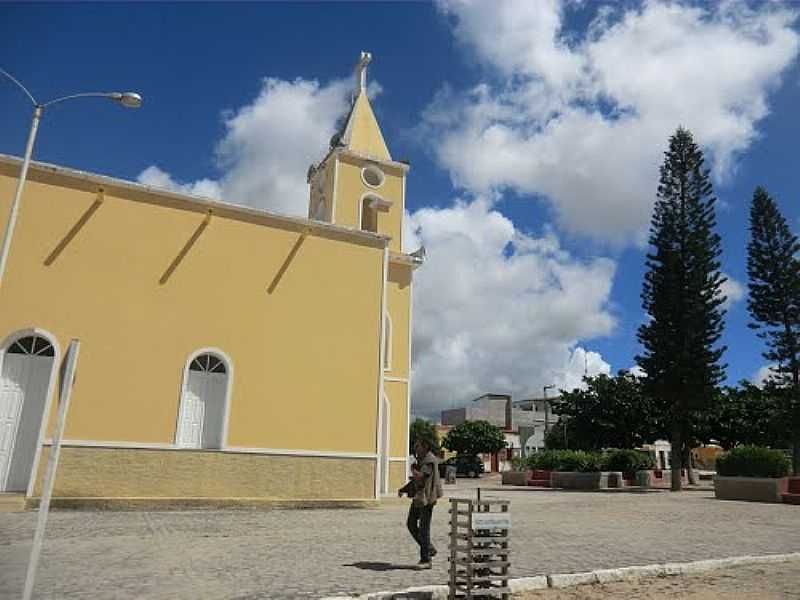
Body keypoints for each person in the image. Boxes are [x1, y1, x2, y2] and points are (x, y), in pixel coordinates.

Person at [399, 438, 442, 569]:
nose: (415, 449)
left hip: (427, 499)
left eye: (417, 446)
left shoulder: (429, 460)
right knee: (411, 523)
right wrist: (404, 489)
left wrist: (413, 469)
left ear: (425, 447)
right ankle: (429, 548)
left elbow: (422, 477)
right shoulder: (422, 460)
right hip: (419, 498)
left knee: (424, 529)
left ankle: (426, 560)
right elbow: (415, 482)